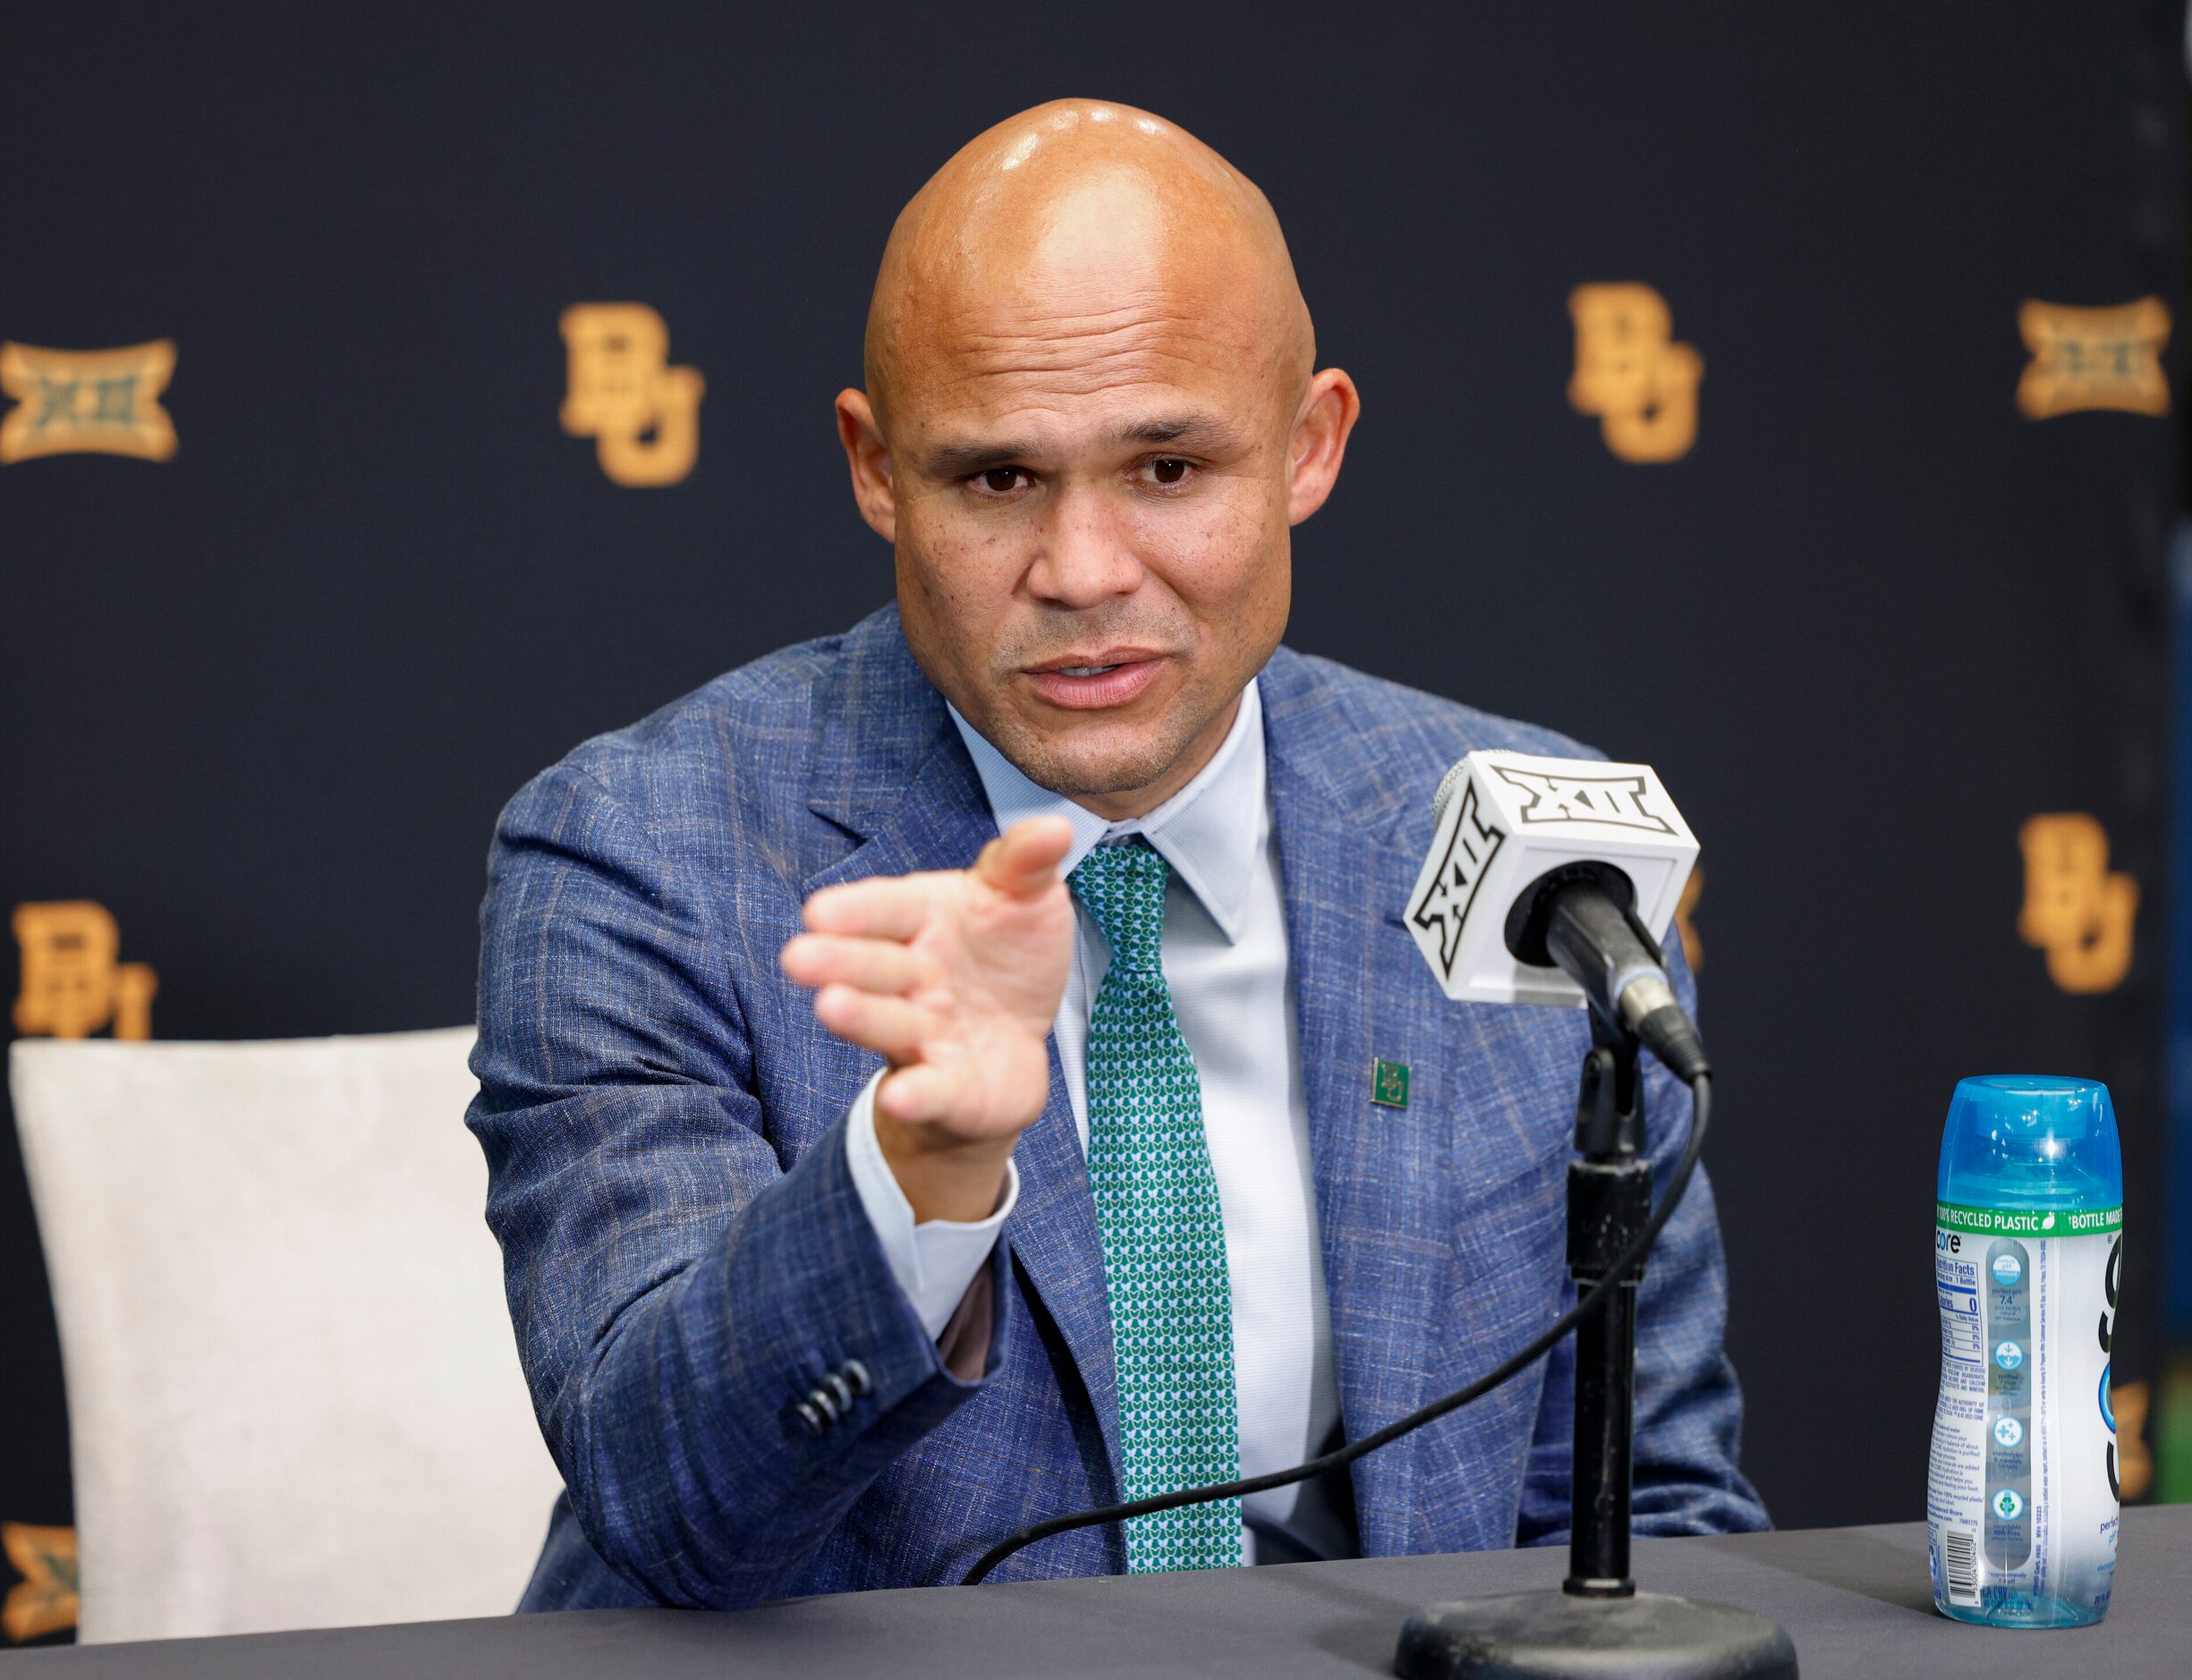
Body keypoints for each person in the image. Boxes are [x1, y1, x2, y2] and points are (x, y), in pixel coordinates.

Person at [470, 99, 1766, 1612]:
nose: (1083, 573)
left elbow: (1648, 1509)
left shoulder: (1536, 859)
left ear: (1310, 445)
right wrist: (919, 1175)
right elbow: (664, 1499)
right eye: (997, 479)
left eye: (1165, 469)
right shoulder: (641, 856)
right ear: (875, 469)